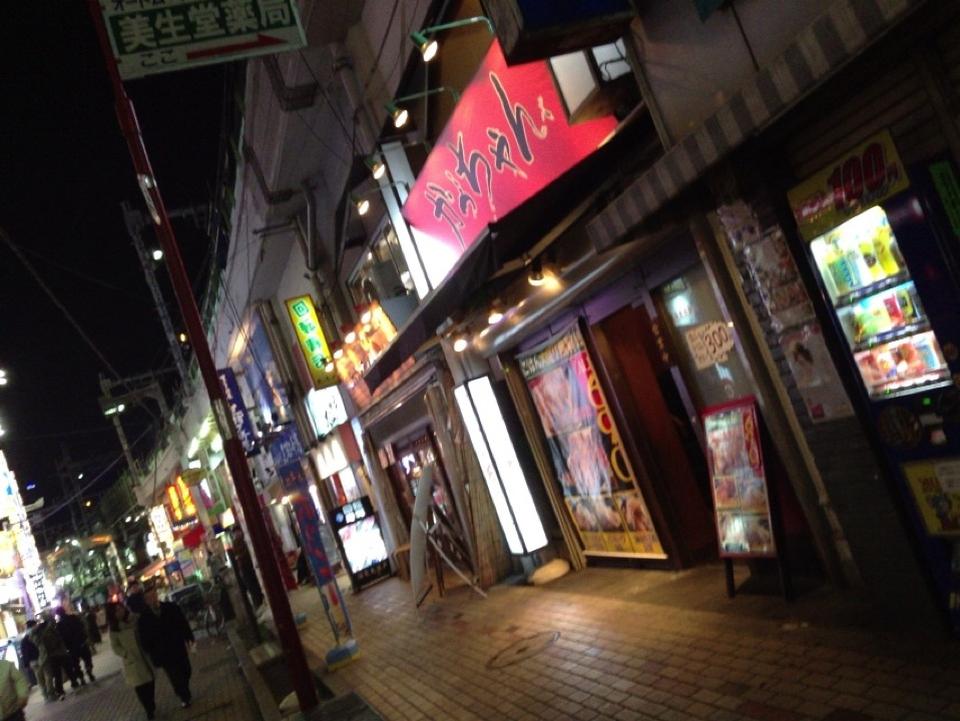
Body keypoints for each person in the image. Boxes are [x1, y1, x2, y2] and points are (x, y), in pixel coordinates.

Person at [129, 586, 194, 708]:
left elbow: (182, 622)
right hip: (163, 652)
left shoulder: (171, 607)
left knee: (186, 669)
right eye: (149, 597)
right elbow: (144, 637)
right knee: (174, 675)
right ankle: (183, 695)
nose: (152, 599)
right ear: (146, 600)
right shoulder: (144, 618)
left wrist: (188, 636)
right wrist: (150, 650)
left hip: (177, 646)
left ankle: (183, 689)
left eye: (153, 595)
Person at [107, 602, 155, 720]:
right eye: (116, 610)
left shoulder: (134, 619)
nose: (120, 611)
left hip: (144, 656)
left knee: (150, 683)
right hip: (132, 661)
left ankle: (151, 704)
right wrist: (126, 654)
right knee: (140, 687)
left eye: (120, 608)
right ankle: (148, 709)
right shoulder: (114, 629)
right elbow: (115, 646)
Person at [37, 616, 76, 699]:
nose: (54, 622)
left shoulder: (45, 632)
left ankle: (61, 690)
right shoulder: (50, 632)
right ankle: (71, 684)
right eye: (53, 621)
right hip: (58, 654)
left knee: (58, 674)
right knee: (66, 670)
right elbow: (55, 643)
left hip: (53, 656)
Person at [55, 608, 94, 684]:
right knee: (87, 659)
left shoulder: (59, 625)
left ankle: (81, 678)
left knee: (75, 664)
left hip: (71, 647)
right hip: (81, 643)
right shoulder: (73, 617)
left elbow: (61, 637)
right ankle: (89, 671)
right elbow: (82, 627)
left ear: (58, 615)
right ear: (64, 611)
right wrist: (85, 637)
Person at [19, 621, 45, 701]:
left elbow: (24, 652)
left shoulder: (24, 639)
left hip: (32, 662)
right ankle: (50, 692)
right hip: (40, 658)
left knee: (39, 677)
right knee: (46, 675)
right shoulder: (35, 636)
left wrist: (27, 663)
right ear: (33, 626)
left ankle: (45, 693)